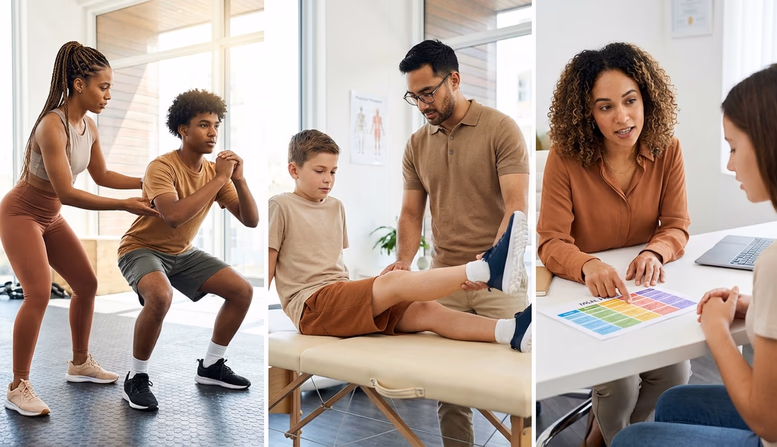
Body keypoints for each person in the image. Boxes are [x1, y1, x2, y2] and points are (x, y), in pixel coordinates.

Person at [612, 63, 777, 447]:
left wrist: (716, 331)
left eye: (733, 148)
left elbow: (771, 423)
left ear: (770, 145)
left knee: (631, 440)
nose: (729, 164)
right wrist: (760, 305)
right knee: (674, 401)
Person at [537, 42, 691, 446]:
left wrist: (655, 251)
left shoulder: (668, 149)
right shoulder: (565, 157)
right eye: (605, 107)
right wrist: (588, 264)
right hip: (586, 293)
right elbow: (551, 241)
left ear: (647, 99)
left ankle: (607, 437)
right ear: (587, 113)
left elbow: (677, 226)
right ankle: (607, 437)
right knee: (619, 386)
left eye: (630, 100)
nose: (622, 117)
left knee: (677, 374)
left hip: (643, 290)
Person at [268, 129, 532, 358]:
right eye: (319, 171)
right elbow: (270, 265)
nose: (328, 179)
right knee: (394, 281)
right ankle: (487, 269)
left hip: (337, 297)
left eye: (333, 171)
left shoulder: (335, 207)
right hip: (309, 305)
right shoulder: (280, 205)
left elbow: (333, 265)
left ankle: (511, 330)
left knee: (426, 310)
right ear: (294, 170)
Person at [0, 41, 160, 417]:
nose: (108, 95)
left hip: (50, 217)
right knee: (38, 293)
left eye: (110, 88)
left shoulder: (88, 126)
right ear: (78, 84)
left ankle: (79, 363)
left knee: (86, 284)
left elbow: (102, 175)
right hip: (20, 214)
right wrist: (125, 204)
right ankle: (18, 386)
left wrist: (149, 182)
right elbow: (67, 192)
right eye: (103, 87)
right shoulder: (51, 126)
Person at [385, 39, 530, 446]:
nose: (422, 104)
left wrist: (491, 262)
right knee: (449, 391)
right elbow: (410, 213)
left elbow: (516, 207)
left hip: (498, 280)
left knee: (518, 384)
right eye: (414, 97)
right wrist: (404, 262)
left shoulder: (500, 128)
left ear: (454, 79)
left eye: (428, 93)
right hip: (445, 278)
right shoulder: (417, 144)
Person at [117, 89, 259, 411]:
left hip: (182, 252)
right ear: (183, 129)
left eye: (216, 125)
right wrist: (220, 178)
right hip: (141, 248)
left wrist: (239, 180)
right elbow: (173, 215)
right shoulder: (161, 167)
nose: (213, 133)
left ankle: (211, 366)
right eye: (204, 125)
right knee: (160, 296)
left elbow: (250, 220)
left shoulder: (213, 174)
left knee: (242, 291)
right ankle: (136, 377)